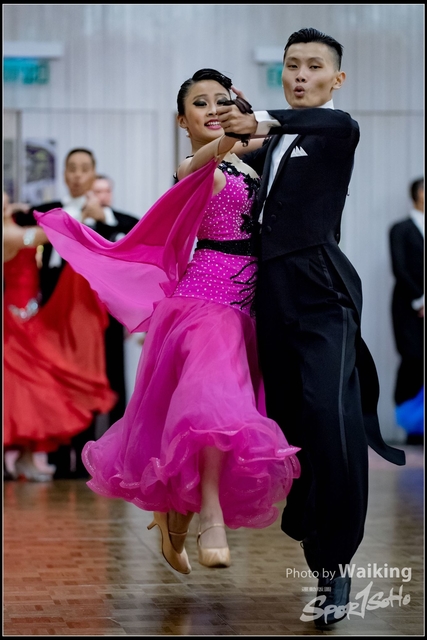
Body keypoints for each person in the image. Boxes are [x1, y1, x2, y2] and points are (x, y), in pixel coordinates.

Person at [34, 68, 301, 574]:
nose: (213, 109)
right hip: (205, 304)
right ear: (182, 121)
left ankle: (173, 517)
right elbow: (223, 147)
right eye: (200, 103)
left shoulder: (248, 163)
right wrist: (243, 121)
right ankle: (211, 519)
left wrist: (251, 117)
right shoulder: (195, 166)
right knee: (214, 406)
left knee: (215, 417)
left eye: (220, 99)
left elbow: (265, 138)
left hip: (250, 305)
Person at [217, 27, 406, 629]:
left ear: (336, 79)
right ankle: (313, 532)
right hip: (271, 297)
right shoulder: (271, 143)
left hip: (323, 293)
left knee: (330, 416)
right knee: (292, 426)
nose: (301, 75)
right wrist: (226, 124)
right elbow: (226, 168)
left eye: (314, 66)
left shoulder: (335, 128)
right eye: (292, 65)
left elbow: (321, 122)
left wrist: (261, 120)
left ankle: (336, 563)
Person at [15, 148, 134, 478]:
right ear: (64, 174)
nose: (78, 174)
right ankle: (58, 458)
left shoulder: (113, 218)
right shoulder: (48, 212)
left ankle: (107, 457)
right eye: (72, 168)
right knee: (57, 379)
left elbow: (133, 235)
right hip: (54, 312)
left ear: (93, 173)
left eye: (84, 168)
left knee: (109, 380)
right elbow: (17, 223)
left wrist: (101, 216)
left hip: (101, 313)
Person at [3, 191, 115, 481]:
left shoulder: (14, 224)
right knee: (19, 388)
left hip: (31, 314)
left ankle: (26, 457)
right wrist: (78, 213)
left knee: (32, 387)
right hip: (15, 318)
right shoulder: (9, 235)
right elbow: (44, 235)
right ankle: (17, 458)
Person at [91, 173, 139, 427]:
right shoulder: (81, 223)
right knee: (85, 368)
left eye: (106, 191)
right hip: (85, 310)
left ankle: (118, 429)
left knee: (115, 368)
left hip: (113, 309)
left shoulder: (125, 222)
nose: (102, 196)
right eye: (97, 192)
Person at [389, 177, 424, 445]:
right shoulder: (400, 229)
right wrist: (420, 300)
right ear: (416, 194)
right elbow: (399, 268)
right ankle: (409, 426)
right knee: (412, 361)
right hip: (409, 307)